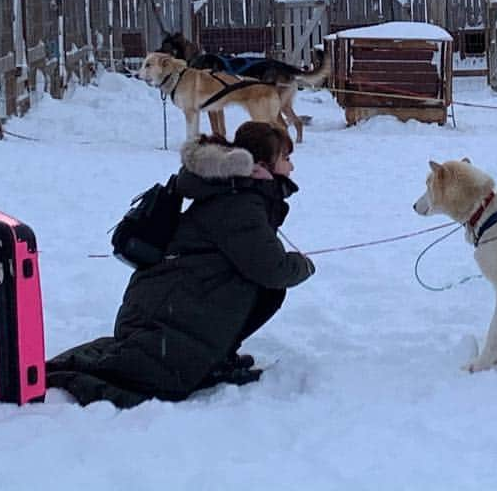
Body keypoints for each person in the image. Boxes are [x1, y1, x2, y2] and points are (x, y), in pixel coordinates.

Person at [46, 121, 314, 408]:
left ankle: (214, 355)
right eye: (286, 159)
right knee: (267, 287)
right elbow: (272, 269)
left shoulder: (235, 192)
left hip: (163, 306)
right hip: (166, 316)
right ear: (262, 165)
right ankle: (194, 358)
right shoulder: (239, 203)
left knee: (260, 288)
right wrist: (304, 265)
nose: (291, 168)